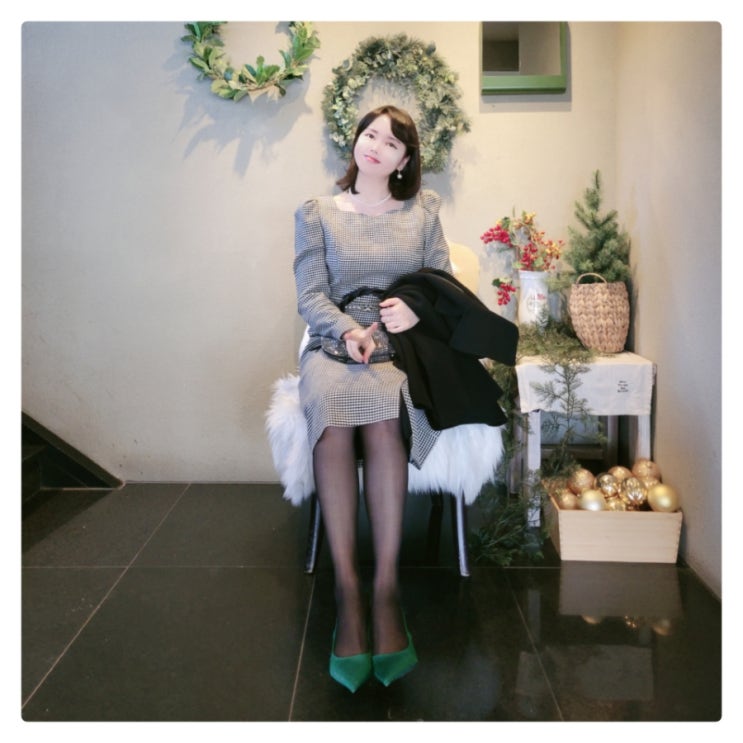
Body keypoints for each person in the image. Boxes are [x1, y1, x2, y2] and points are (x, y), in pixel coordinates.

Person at [293, 104, 451, 692]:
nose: (376, 146)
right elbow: (310, 294)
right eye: (370, 134)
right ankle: (347, 590)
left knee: (386, 422)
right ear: (356, 141)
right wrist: (347, 331)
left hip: (399, 351)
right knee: (333, 420)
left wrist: (414, 310)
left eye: (391, 142)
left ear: (405, 160)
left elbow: (443, 286)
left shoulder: (423, 211)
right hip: (334, 348)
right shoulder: (316, 213)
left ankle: (385, 591)